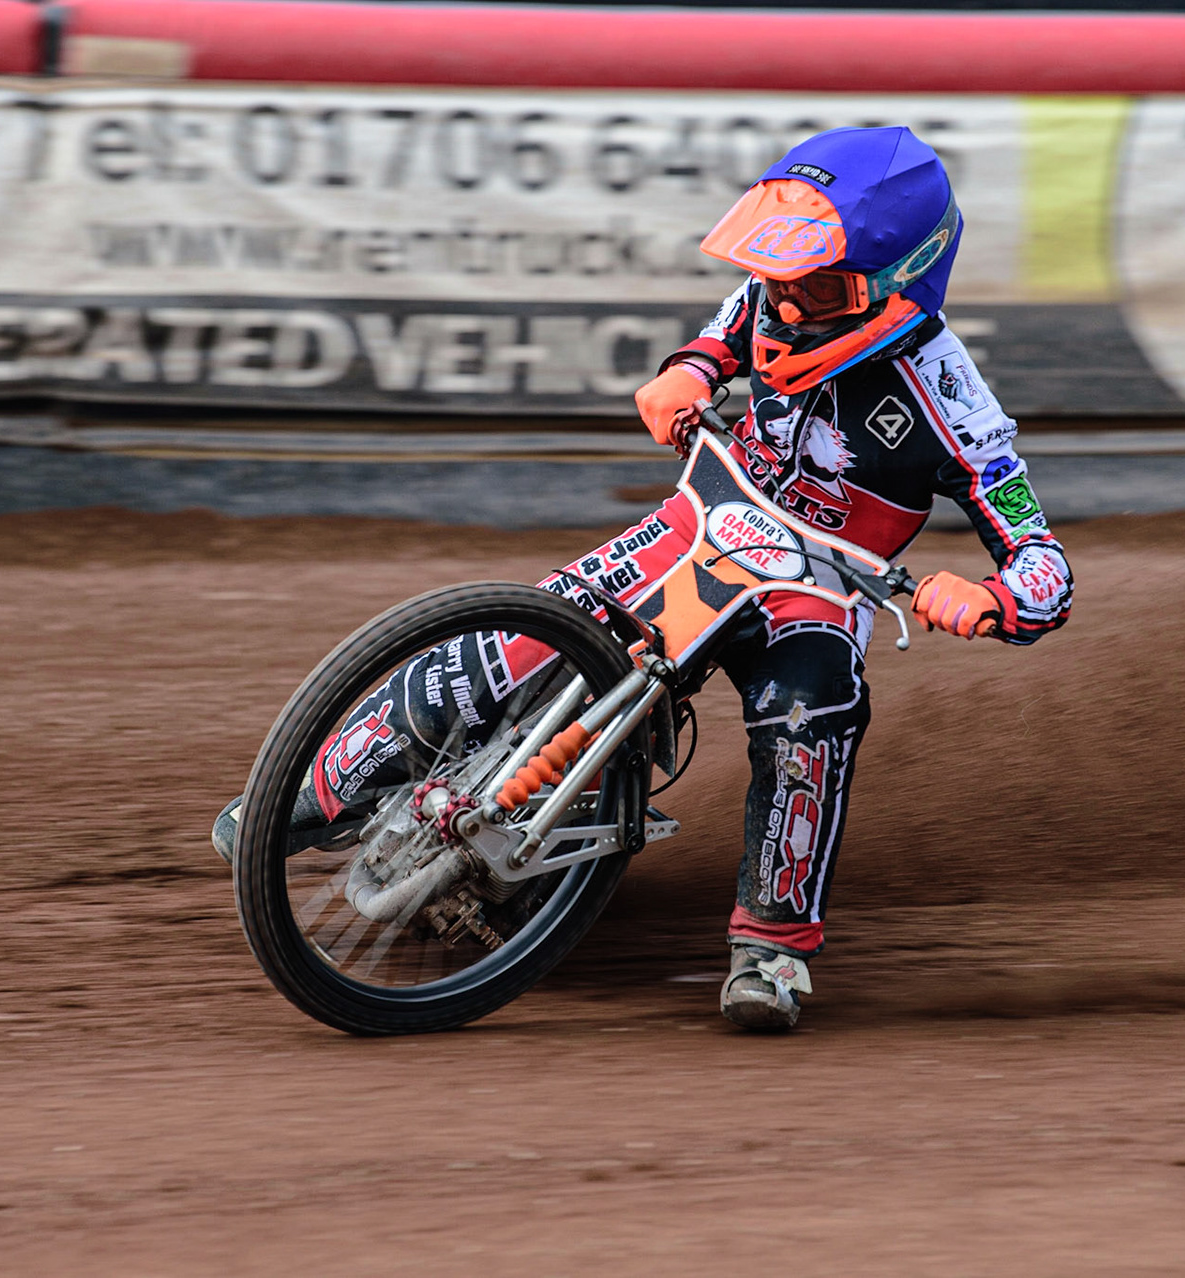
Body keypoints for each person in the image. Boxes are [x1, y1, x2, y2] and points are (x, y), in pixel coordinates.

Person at [216, 126, 1073, 1032]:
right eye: (776, 275)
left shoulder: (951, 399)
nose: (784, 303)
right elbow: (721, 335)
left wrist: (990, 599)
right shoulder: (773, 295)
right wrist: (685, 373)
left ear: (902, 282)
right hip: (697, 521)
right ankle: (303, 797)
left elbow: (1043, 564)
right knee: (516, 634)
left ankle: (771, 951)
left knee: (813, 709)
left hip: (814, 589)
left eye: (815, 286)